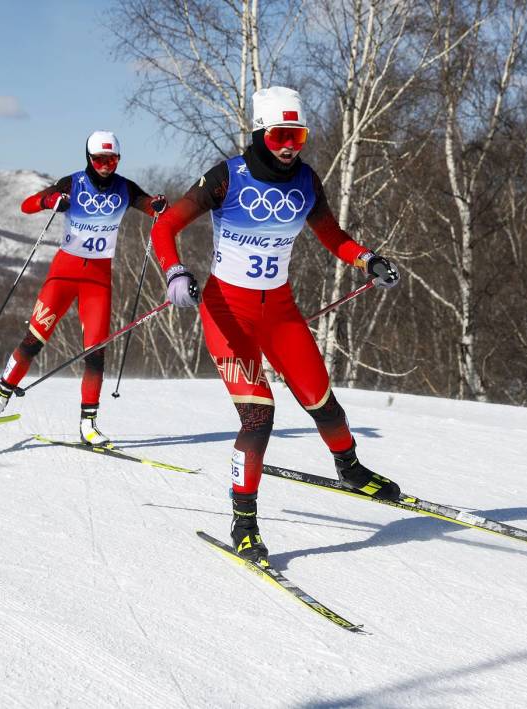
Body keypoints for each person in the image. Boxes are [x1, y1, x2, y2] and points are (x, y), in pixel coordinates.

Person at [150, 86, 402, 564]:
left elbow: (331, 234)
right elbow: (165, 227)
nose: (290, 145)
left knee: (323, 402)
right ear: (262, 132)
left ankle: (350, 468)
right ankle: (244, 523)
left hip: (280, 313)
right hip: (228, 313)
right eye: (281, 134)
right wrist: (175, 271)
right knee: (259, 416)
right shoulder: (227, 176)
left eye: (299, 135)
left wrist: (367, 260)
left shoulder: (306, 180)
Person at [0, 130, 167, 445]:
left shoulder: (125, 188)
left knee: (95, 351)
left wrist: (157, 205)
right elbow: (26, 205)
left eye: (113, 159)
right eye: (100, 159)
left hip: (98, 280)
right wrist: (51, 200)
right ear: (89, 158)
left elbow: (150, 206)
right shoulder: (73, 182)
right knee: (35, 338)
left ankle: (88, 425)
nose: (106, 165)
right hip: (64, 274)